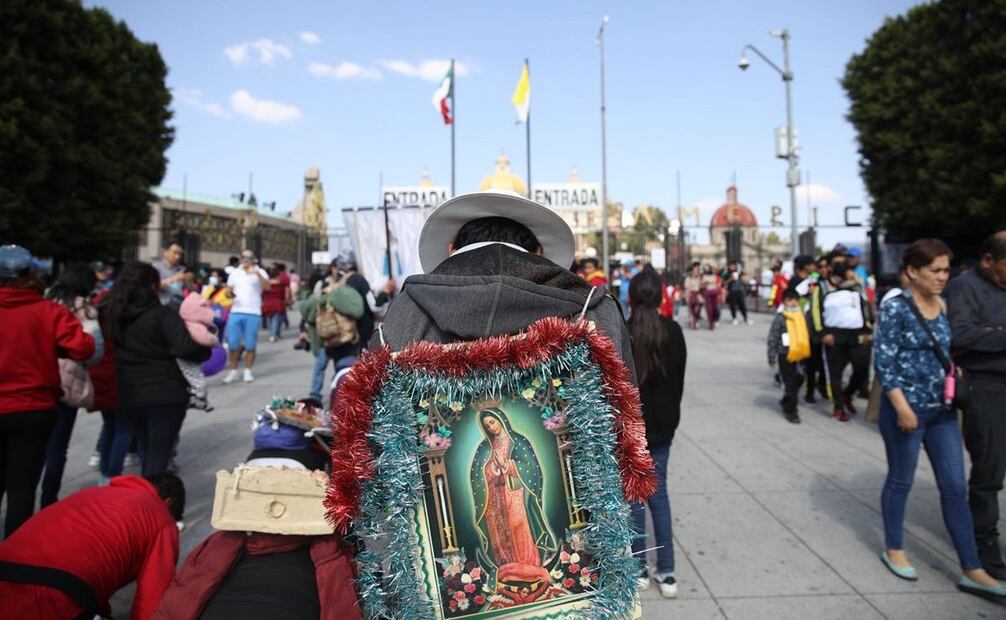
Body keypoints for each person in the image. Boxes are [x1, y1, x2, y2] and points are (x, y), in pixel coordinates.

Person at [874, 239, 1006, 598]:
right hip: (907, 410)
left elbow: (949, 349)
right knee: (901, 480)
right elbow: (885, 364)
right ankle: (895, 547)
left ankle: (972, 568)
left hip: (943, 411)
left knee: (954, 488)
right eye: (935, 270)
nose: (942, 277)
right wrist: (902, 408)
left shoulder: (944, 305)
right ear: (913, 271)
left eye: (946, 270)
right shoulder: (896, 308)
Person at [374, 189, 634, 371]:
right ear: (539, 252)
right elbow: (626, 424)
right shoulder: (594, 309)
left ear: (452, 248)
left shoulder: (405, 310)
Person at [0, 246, 97, 535]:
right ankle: (13, 562)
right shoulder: (48, 312)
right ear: (30, 274)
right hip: (33, 409)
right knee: (22, 488)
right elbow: (84, 347)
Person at [0, 473, 185, 619]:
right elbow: (153, 599)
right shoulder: (160, 517)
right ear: (167, 503)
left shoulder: (93, 493)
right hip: (51, 596)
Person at [103, 262, 211, 476]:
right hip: (165, 394)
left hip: (129, 393)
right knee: (158, 455)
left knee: (147, 446)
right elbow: (185, 348)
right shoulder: (162, 315)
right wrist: (206, 347)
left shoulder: (114, 316)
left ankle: (147, 492)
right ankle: (154, 499)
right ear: (152, 286)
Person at [946, 231, 1006, 579]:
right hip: (986, 389)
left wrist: (994, 330)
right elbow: (962, 334)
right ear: (988, 260)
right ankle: (983, 543)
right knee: (989, 472)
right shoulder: (965, 287)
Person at [626, 268, 686, 598]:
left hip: (633, 427)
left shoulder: (625, 331)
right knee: (659, 497)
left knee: (635, 497)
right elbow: (678, 381)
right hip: (663, 427)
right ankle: (668, 572)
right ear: (662, 296)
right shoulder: (673, 331)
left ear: (630, 298)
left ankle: (639, 571)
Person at [40, 264, 102, 507]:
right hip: (67, 384)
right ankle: (48, 500)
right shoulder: (85, 309)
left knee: (30, 448)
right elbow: (93, 352)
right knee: (57, 447)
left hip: (38, 378)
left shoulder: (43, 301)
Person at [810, 256, 873, 422]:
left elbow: (865, 308)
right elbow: (815, 312)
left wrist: (868, 329)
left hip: (857, 333)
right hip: (833, 334)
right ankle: (838, 406)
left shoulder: (856, 287)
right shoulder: (822, 287)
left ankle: (848, 394)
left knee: (862, 367)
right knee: (835, 373)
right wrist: (822, 333)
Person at [300, 275, 365, 403]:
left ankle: (315, 396)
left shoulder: (321, 295)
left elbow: (305, 310)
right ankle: (340, 396)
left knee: (321, 367)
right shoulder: (342, 294)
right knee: (341, 368)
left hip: (326, 337)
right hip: (343, 338)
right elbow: (358, 311)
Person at [222, 250, 270, 384]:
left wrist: (257, 273)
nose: (246, 260)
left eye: (249, 258)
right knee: (232, 344)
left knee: (250, 345)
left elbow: (267, 287)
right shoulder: (235, 272)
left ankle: (248, 371)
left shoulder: (260, 271)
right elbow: (227, 291)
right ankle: (233, 371)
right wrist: (229, 293)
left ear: (254, 259)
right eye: (243, 257)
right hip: (236, 311)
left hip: (253, 312)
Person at [331, 250, 395, 348]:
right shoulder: (358, 280)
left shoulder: (336, 281)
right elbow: (374, 306)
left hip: (340, 334)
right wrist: (385, 292)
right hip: (360, 336)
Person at [767, 289, 811, 424]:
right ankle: (791, 410)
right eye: (789, 300)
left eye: (795, 300)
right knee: (790, 382)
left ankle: (787, 400)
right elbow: (773, 337)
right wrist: (771, 356)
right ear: (784, 301)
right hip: (785, 354)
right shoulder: (781, 317)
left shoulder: (801, 316)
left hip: (800, 354)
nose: (792, 303)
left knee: (799, 379)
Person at [177, 293, 219, 411]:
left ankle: (200, 399)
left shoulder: (183, 322)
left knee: (191, 377)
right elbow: (206, 339)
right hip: (188, 357)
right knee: (197, 378)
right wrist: (215, 341)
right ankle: (199, 397)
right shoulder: (195, 326)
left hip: (187, 356)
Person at [152, 241, 190, 306]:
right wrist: (175, 278)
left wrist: (189, 280)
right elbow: (153, 286)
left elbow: (192, 290)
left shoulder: (182, 269)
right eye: (175, 253)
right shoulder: (156, 267)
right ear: (165, 253)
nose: (177, 257)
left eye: (180, 254)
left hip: (179, 303)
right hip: (163, 304)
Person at [261, 266, 287, 343]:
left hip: (267, 302)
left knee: (269, 319)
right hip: (277, 302)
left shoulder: (266, 284)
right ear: (277, 275)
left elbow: (262, 293)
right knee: (276, 319)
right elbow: (283, 293)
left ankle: (272, 334)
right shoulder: (281, 284)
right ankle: (273, 335)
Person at [725, 261, 752, 325]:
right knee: (732, 305)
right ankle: (734, 318)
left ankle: (746, 318)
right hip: (732, 291)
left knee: (742, 305)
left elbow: (747, 273)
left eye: (734, 266)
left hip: (739, 291)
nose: (732, 267)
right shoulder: (727, 273)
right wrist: (731, 279)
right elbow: (724, 282)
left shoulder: (738, 272)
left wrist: (741, 271)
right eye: (731, 266)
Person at [699, 264, 720, 330]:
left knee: (715, 309)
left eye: (707, 268)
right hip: (707, 292)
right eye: (705, 268)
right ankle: (711, 323)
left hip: (714, 292)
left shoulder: (714, 276)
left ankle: (714, 319)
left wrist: (718, 291)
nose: (706, 269)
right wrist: (704, 284)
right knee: (709, 309)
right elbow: (700, 286)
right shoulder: (703, 276)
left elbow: (718, 284)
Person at [683, 263, 703, 330]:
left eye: (698, 270)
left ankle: (696, 320)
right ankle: (692, 322)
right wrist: (687, 297)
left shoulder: (700, 278)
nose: (697, 272)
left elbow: (702, 287)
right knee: (691, 310)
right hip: (691, 294)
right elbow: (687, 289)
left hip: (698, 294)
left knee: (697, 309)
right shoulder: (688, 279)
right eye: (695, 270)